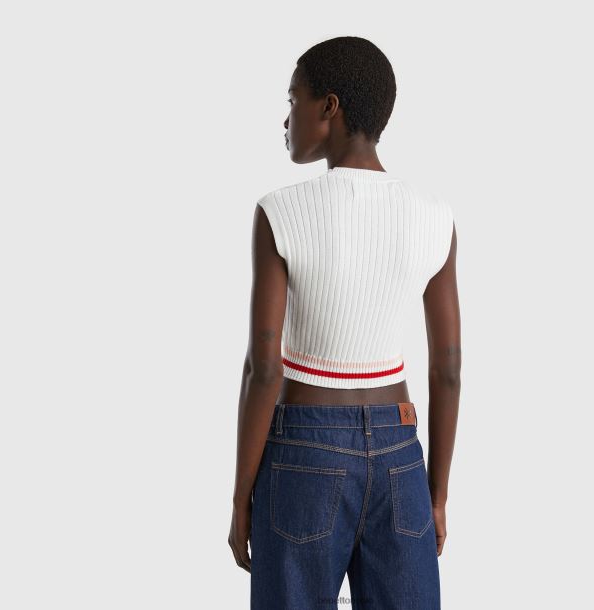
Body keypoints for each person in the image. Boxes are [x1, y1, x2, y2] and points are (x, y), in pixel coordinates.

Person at [228, 36, 461, 610]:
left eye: (293, 100)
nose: (286, 119)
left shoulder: (280, 211)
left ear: (329, 106)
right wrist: (435, 495)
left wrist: (240, 499)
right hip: (400, 453)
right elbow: (448, 370)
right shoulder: (436, 216)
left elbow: (264, 367)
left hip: (303, 453)